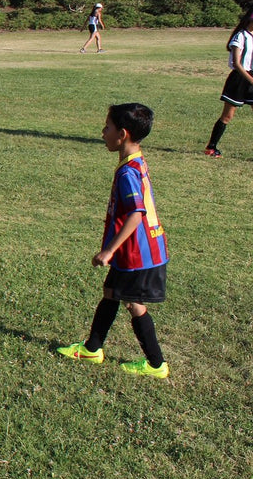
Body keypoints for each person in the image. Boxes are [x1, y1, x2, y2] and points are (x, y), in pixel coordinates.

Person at [58, 103, 170, 378]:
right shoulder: (137, 161)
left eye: (107, 127)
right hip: (139, 251)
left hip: (136, 253)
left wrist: (109, 250)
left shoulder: (127, 173)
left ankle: (156, 364)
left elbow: (136, 214)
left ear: (122, 134)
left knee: (134, 305)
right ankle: (92, 348)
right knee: (111, 294)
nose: (102, 132)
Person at [204, 5, 253, 163]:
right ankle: (211, 147)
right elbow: (237, 63)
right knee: (227, 116)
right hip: (239, 79)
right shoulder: (240, 36)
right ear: (251, 18)